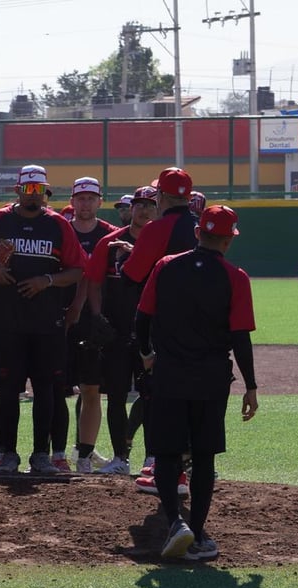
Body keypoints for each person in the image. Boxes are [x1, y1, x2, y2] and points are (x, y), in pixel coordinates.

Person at [135, 205, 258, 560]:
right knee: (204, 457)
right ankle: (199, 533)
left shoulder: (166, 266)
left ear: (197, 233)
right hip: (210, 378)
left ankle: (176, 521)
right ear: (228, 239)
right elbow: (240, 338)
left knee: (167, 453)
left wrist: (146, 354)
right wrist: (251, 386)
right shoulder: (235, 276)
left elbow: (142, 319)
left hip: (169, 374)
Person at [0, 164, 87, 476]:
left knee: (46, 388)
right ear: (17, 190)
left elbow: (77, 270)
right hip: (6, 320)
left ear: (46, 192)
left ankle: (41, 455)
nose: (34, 196)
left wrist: (47, 279)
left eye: (39, 190)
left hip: (46, 322)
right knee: (7, 388)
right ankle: (7, 455)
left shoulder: (58, 225)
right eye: (28, 189)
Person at [108, 167, 199, 477]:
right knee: (197, 395)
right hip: (203, 323)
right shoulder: (201, 227)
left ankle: (166, 465)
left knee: (163, 396)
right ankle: (197, 464)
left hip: (167, 325)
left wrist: (125, 260)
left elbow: (132, 276)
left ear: (161, 196)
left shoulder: (157, 229)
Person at [61, 177, 116, 473]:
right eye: (80, 198)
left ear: (100, 201)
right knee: (56, 389)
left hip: (93, 321)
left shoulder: (109, 235)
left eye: (90, 198)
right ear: (72, 200)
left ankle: (85, 453)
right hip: (59, 317)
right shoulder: (60, 229)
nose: (85, 203)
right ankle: (54, 453)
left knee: (91, 388)